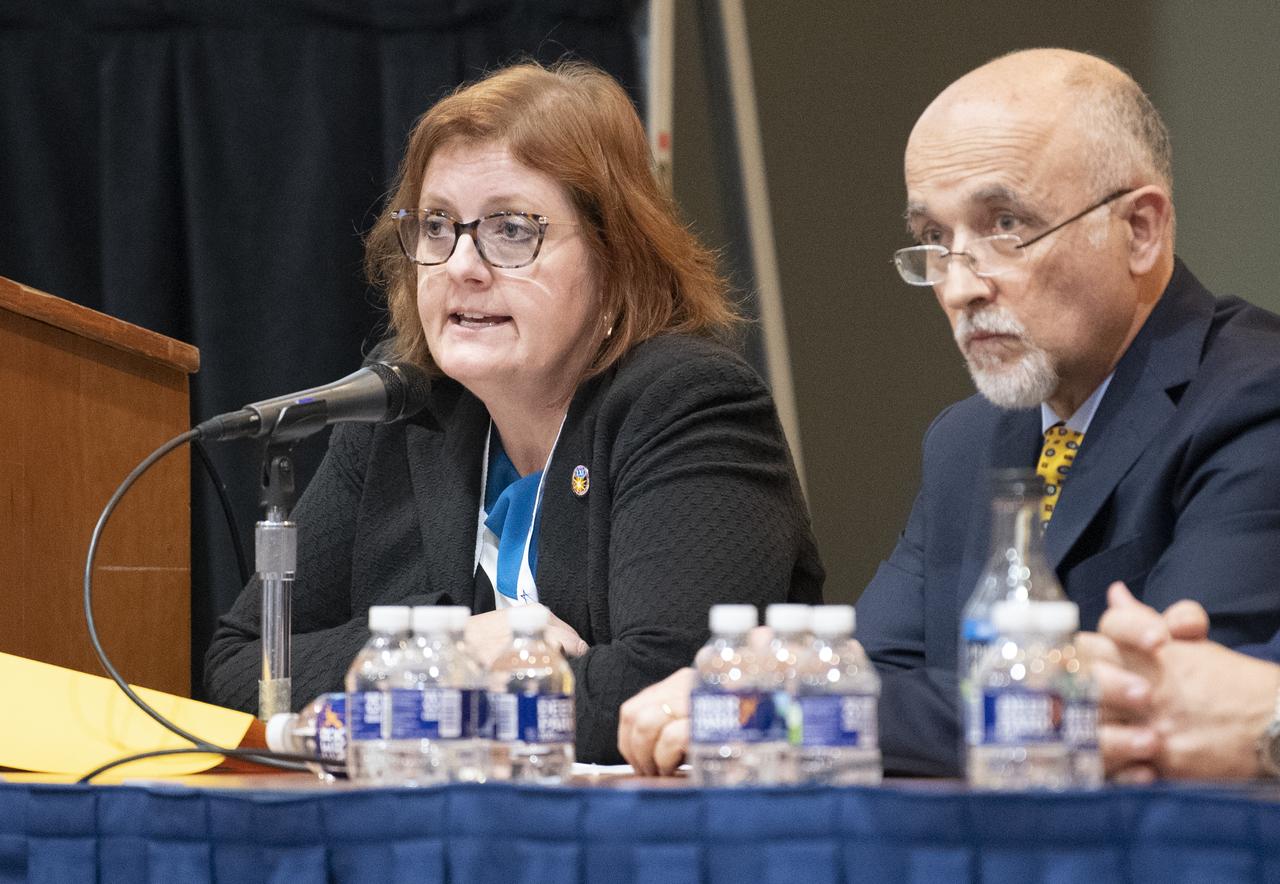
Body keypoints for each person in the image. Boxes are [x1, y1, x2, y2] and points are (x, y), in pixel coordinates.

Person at [619, 47, 1280, 778]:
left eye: (1006, 225)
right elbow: (872, 673)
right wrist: (774, 693)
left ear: (1141, 229)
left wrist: (779, 702)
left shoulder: (1254, 395)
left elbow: (1166, 703)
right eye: (934, 240)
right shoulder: (969, 439)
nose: (961, 287)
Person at [204, 61, 824, 764]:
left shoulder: (689, 403)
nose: (461, 265)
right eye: (437, 226)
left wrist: (418, 684)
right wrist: (453, 646)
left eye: (510, 229)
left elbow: (661, 688)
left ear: (615, 257)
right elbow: (242, 670)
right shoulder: (403, 411)